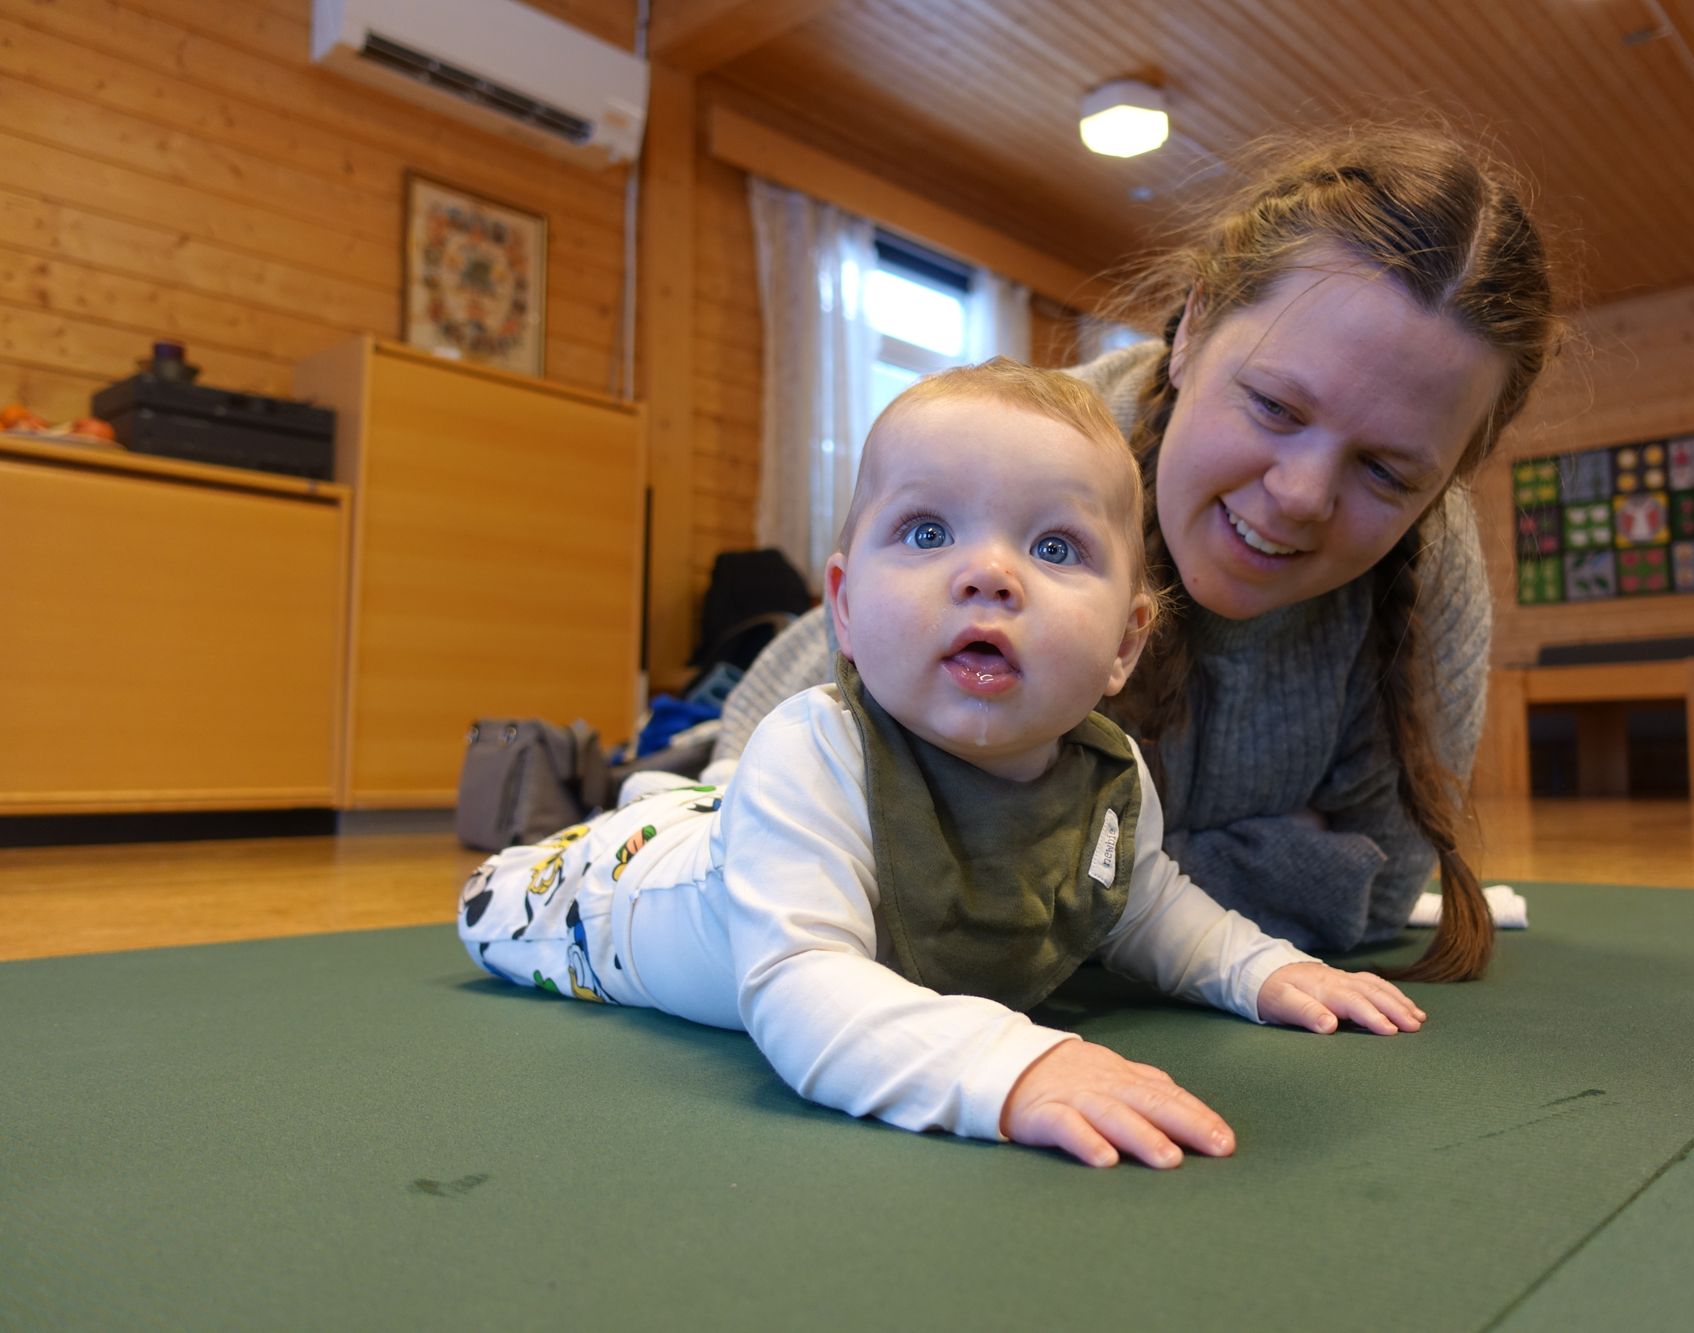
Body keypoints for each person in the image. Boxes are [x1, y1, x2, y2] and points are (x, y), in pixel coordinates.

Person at [459, 361, 1426, 1170]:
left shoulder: (1110, 777)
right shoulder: (814, 746)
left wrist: (1259, 967)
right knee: (507, 904)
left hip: (741, 828)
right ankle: (611, 828)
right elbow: (801, 987)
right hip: (619, 901)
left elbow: (1143, 906)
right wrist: (1013, 1066)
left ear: (1127, 642)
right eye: (927, 533)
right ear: (843, 606)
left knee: (716, 817)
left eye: (1055, 546)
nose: (988, 573)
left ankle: (682, 803)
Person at [706, 125, 1561, 982]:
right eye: (1272, 405)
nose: (1302, 494)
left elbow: (1378, 889)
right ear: (1191, 331)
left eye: (1384, 471)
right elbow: (774, 807)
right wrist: (1260, 870)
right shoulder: (1043, 456)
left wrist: (1048, 874)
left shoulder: (1432, 569)